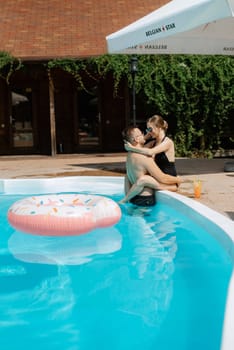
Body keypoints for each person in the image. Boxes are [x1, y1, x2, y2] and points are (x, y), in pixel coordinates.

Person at [119, 126, 182, 205]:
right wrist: (179, 180)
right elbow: (163, 178)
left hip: (133, 198)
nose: (144, 134)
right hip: (144, 199)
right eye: (142, 133)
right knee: (146, 179)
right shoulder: (144, 158)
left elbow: (128, 177)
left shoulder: (129, 155)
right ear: (136, 139)